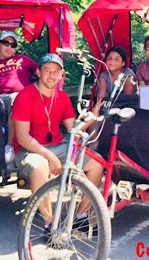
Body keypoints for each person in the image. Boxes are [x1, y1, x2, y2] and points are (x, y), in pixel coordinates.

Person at [11, 53, 104, 230]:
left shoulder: (62, 97)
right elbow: (22, 138)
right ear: (38, 72)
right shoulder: (25, 95)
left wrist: (92, 116)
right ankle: (49, 223)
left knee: (96, 165)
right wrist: (49, 157)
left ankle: (81, 216)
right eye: (47, 70)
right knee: (41, 167)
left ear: (62, 75)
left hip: (58, 146)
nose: (51, 75)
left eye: (56, 71)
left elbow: (73, 129)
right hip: (29, 150)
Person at [0, 31, 38, 150]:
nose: (9, 47)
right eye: (6, 43)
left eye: (13, 45)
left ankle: (10, 147)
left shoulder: (23, 59)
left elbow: (43, 75)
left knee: (17, 100)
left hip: (21, 97)